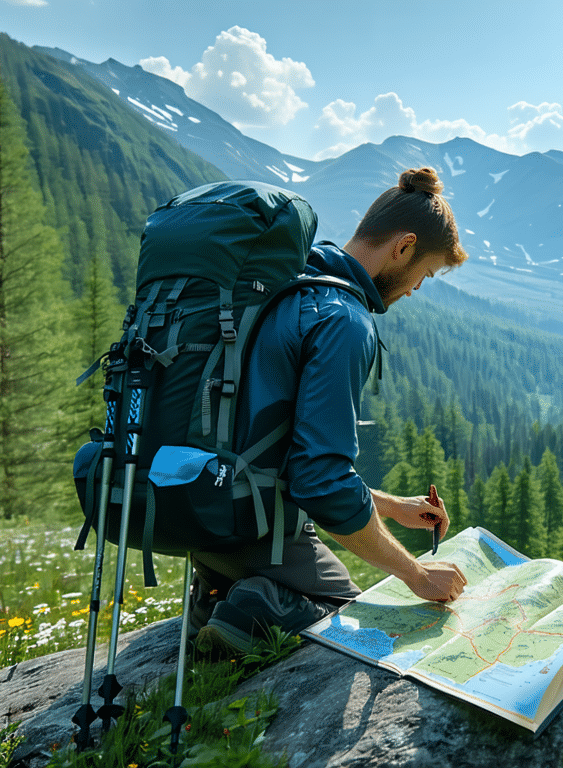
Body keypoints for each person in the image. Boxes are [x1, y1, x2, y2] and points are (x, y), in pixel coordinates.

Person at [190, 168, 469, 653]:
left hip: (200, 510)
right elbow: (319, 482)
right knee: (360, 628)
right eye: (424, 275)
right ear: (403, 247)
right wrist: (418, 576)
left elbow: (272, 452)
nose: (416, 289)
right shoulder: (342, 318)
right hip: (255, 529)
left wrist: (392, 507)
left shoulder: (286, 281)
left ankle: (220, 595)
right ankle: (259, 603)